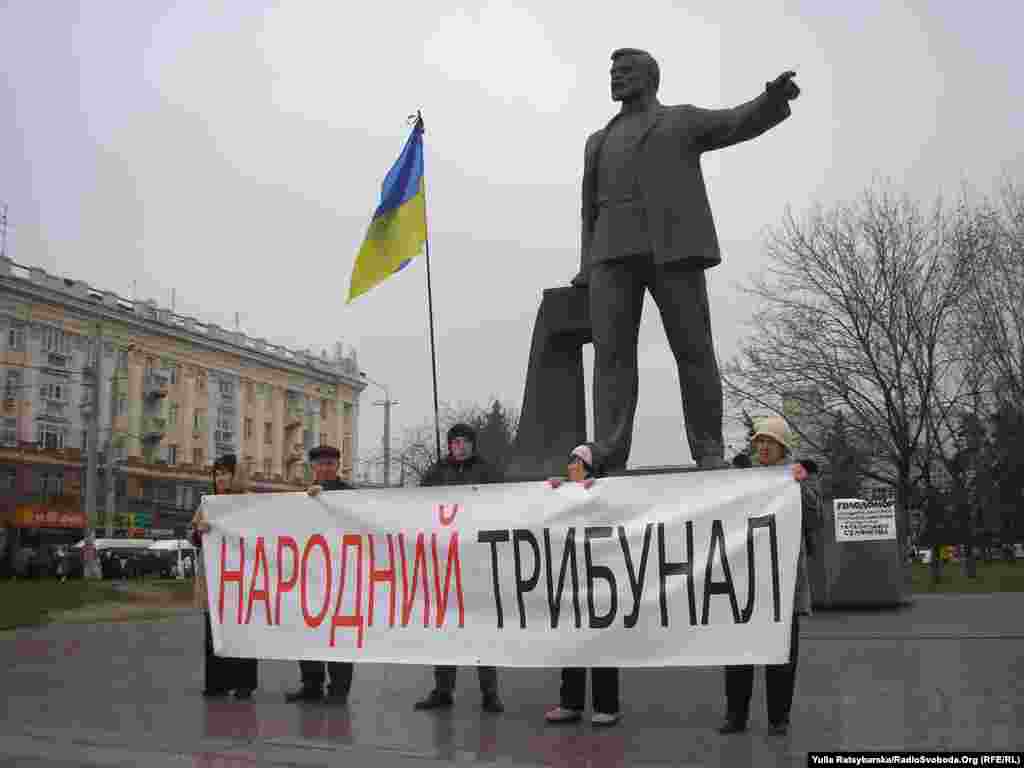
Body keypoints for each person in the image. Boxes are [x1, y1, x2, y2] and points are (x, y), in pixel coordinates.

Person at [572, 48, 800, 474]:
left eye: (625, 71)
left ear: (649, 78)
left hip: (673, 249)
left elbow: (734, 121)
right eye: (613, 72)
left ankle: (707, 448)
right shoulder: (597, 141)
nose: (616, 77)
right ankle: (609, 450)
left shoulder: (680, 120)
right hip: (610, 255)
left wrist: (771, 100)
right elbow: (588, 210)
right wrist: (586, 265)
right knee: (611, 359)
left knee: (693, 350)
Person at [718, 415, 820, 736]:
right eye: (759, 441)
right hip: (745, 582)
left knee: (782, 656)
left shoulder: (797, 478)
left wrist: (800, 486)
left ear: (783, 447)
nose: (762, 446)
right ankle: (736, 715)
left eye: (770, 442)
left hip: (783, 584)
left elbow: (814, 520)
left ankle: (778, 718)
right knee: (738, 653)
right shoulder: (743, 476)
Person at [414, 423, 505, 714]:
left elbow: (506, 503)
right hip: (445, 562)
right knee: (445, 628)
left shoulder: (488, 472)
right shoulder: (436, 472)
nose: (460, 446)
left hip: (477, 562)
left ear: (473, 445)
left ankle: (490, 692)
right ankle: (443, 690)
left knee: (481, 629)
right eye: (455, 442)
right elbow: (415, 505)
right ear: (449, 445)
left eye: (465, 441)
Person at [543, 445, 622, 727]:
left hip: (602, 576)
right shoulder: (566, 491)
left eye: (578, 461)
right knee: (572, 640)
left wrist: (599, 491)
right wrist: (552, 491)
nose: (571, 465)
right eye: (571, 460)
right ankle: (570, 703)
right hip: (572, 577)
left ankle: (607, 706)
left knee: (602, 641)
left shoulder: (608, 491)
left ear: (590, 467)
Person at [286, 445, 357, 704]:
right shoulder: (301, 496)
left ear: (337, 466)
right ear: (312, 467)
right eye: (320, 464)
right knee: (308, 630)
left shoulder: (351, 495)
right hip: (310, 575)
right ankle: (311, 684)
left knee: (339, 632)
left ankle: (339, 688)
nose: (325, 468)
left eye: (330, 464)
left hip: (341, 575)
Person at [192, 454, 259, 699]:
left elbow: (263, 533)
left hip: (242, 578)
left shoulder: (250, 501)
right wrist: (199, 532)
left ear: (236, 475)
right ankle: (217, 683)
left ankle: (244, 683)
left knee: (243, 630)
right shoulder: (209, 503)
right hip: (215, 579)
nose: (220, 478)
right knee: (214, 632)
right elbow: (194, 537)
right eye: (217, 473)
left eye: (225, 473)